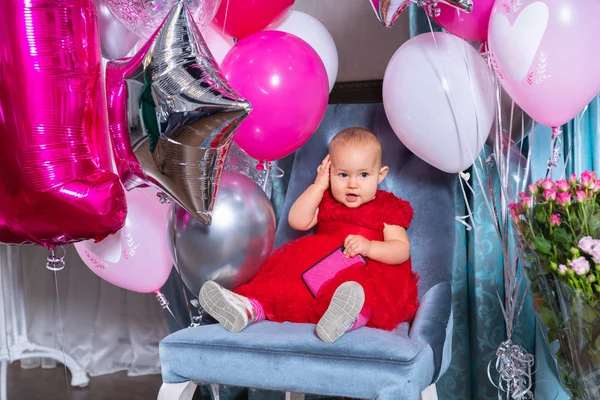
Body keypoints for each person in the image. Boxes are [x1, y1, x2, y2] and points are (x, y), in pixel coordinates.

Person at [199, 127, 419, 343]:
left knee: (359, 289)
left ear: (381, 175)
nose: (352, 184)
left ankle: (347, 316)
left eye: (363, 175)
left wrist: (370, 247)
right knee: (282, 282)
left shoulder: (387, 207)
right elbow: (298, 221)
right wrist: (319, 185)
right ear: (329, 171)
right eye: (342, 174)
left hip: (367, 267)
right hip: (320, 267)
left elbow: (400, 250)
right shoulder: (326, 199)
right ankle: (247, 309)